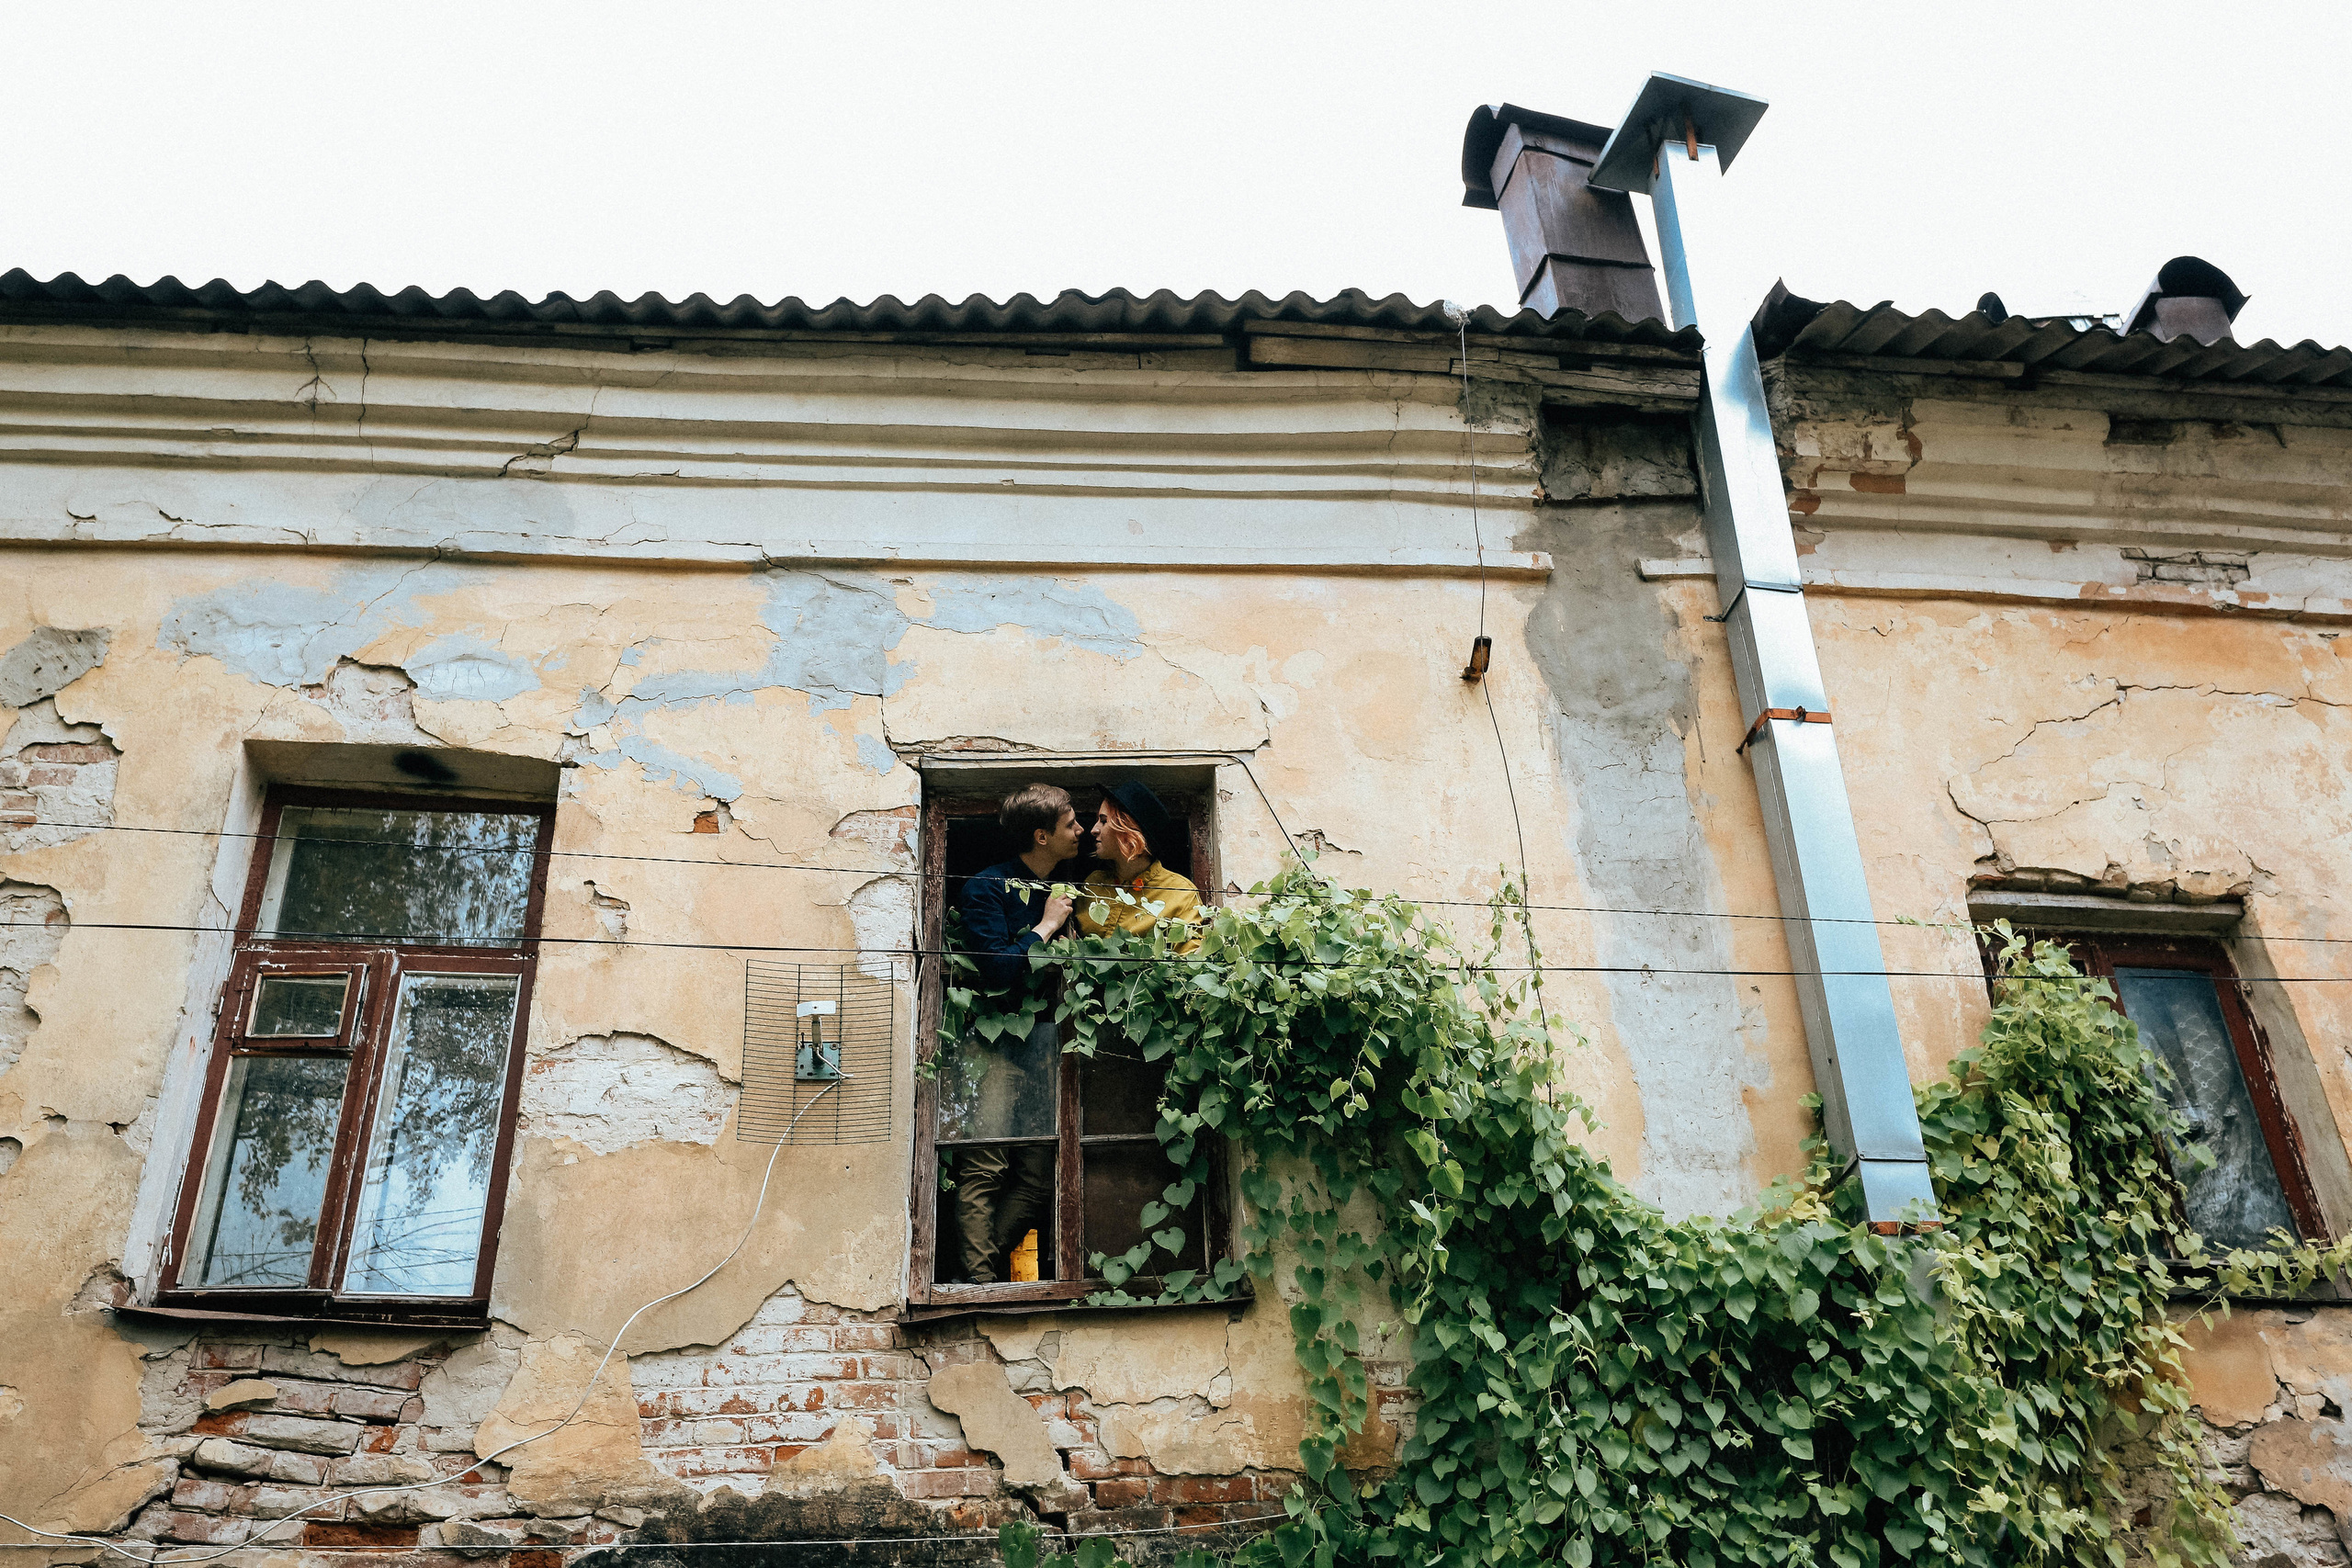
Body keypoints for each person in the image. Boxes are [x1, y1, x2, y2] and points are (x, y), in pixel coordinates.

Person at [945, 783, 1080, 1283]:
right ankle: (978, 1286)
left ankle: (979, 1271)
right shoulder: (985, 888)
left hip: (1048, 1050)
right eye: (1071, 824)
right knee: (986, 1167)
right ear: (1042, 836)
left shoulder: (1069, 887)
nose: (1082, 830)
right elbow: (999, 970)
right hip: (994, 1047)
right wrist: (1044, 928)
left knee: (1038, 1181)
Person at [1076, 780, 1202, 952]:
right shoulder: (1093, 884)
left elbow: (1190, 963)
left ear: (1128, 830)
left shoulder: (1180, 894)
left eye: (1103, 821)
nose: (1094, 829)